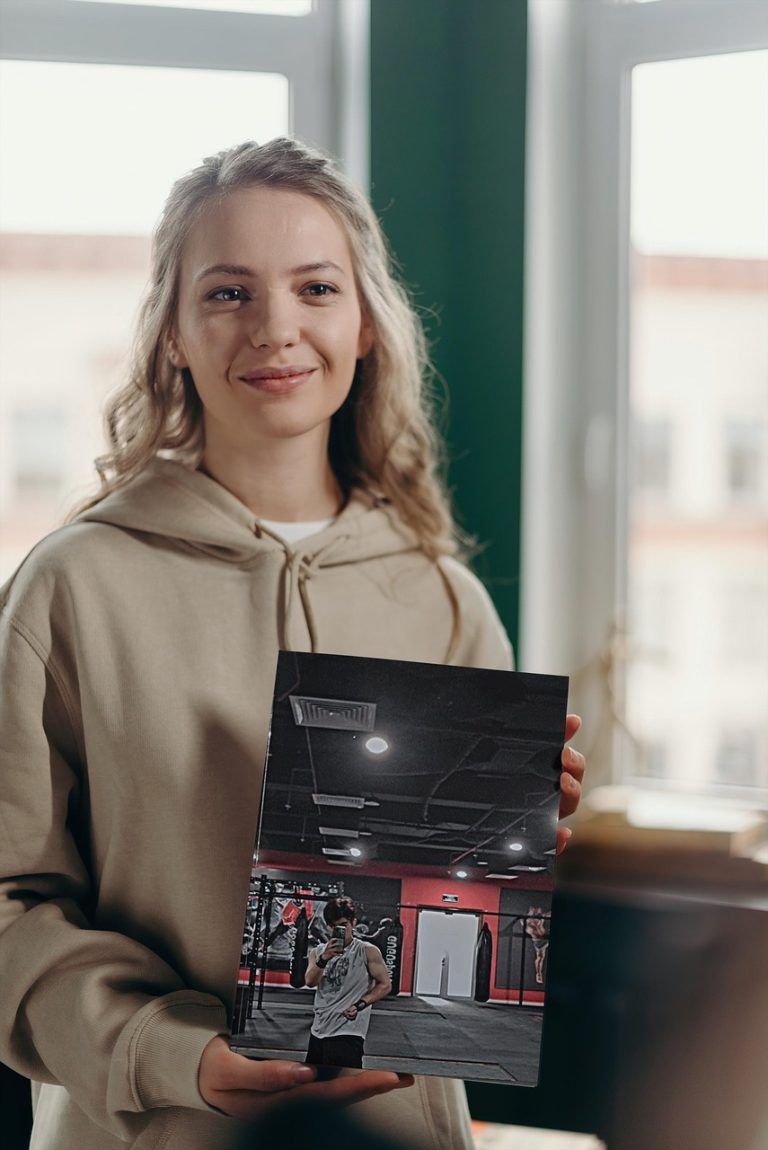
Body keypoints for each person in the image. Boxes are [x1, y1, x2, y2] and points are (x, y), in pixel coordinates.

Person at [0, 137, 585, 1150]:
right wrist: (170, 1050)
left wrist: (512, 837)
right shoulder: (70, 588)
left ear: (364, 325)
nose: (276, 328)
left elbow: (464, 947)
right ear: (173, 336)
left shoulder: (444, 600)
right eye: (228, 293)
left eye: (316, 287)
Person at [304, 898, 392, 1070]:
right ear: (328, 927)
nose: (339, 931)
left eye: (344, 925)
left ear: (354, 923)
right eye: (334, 926)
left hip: (348, 1031)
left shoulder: (367, 951)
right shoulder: (317, 952)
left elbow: (385, 984)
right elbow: (310, 981)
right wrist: (324, 958)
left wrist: (360, 1005)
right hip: (318, 1031)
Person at [525, 907, 551, 985]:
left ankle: (539, 974)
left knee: (541, 957)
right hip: (539, 940)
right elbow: (528, 928)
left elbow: (547, 914)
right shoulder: (528, 920)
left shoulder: (541, 915)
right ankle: (539, 974)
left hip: (544, 937)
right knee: (540, 957)